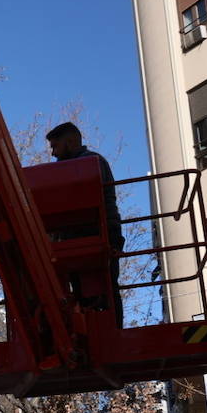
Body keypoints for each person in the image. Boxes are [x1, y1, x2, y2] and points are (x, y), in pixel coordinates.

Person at [46, 122, 124, 326]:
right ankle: (104, 327)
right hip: (91, 233)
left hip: (98, 232)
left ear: (70, 142)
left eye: (55, 146)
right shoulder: (87, 163)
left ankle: (109, 329)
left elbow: (71, 199)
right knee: (94, 288)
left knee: (102, 287)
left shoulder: (88, 162)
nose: (53, 153)